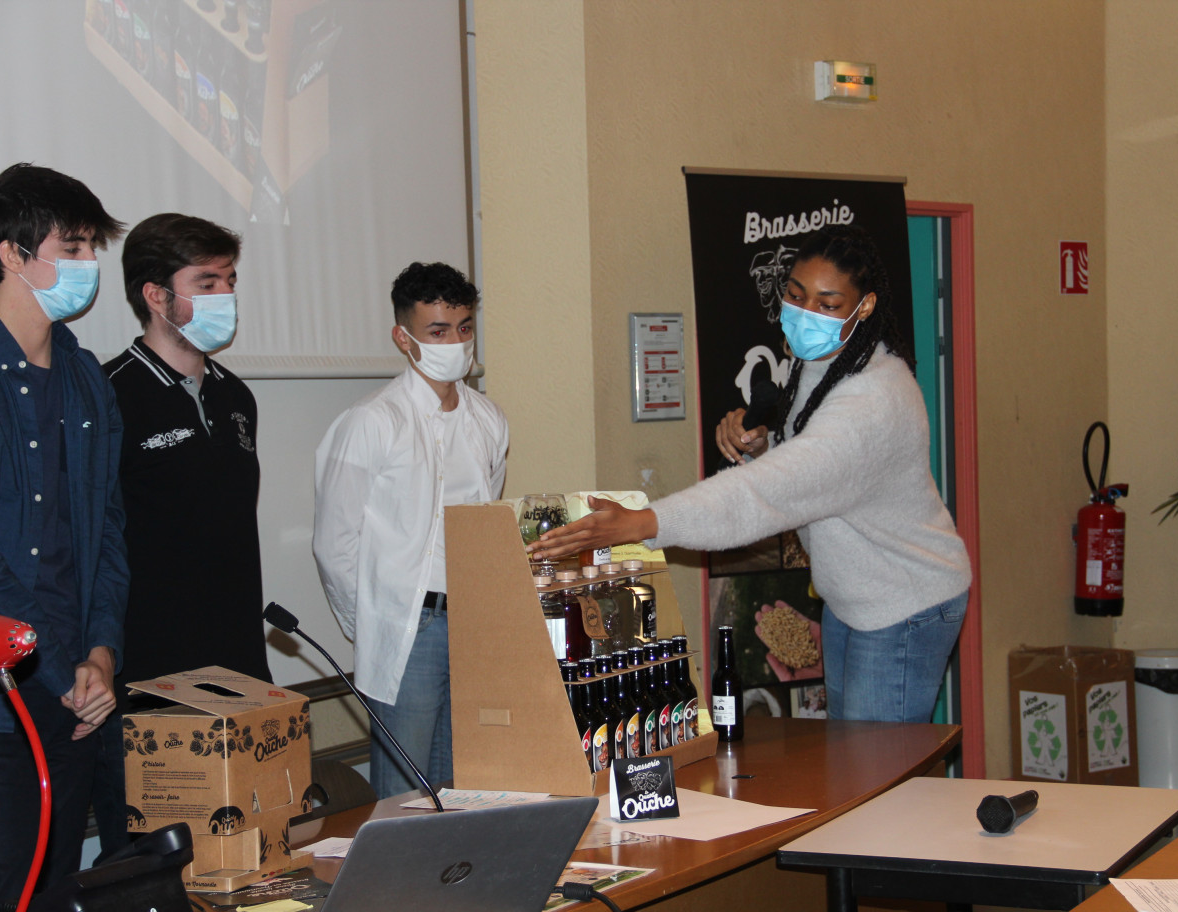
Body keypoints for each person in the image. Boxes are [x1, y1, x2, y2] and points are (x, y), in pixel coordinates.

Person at [530, 224, 971, 724]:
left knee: (878, 772)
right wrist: (764, 445)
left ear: (864, 307)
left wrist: (646, 523)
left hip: (905, 604)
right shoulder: (826, 361)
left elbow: (773, 491)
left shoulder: (874, 400)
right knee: (853, 765)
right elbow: (811, 464)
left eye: (828, 304)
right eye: (796, 295)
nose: (806, 314)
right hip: (857, 598)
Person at [0, 163, 129, 912]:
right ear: (13, 255)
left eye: (91, 249)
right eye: (72, 248)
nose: (88, 267)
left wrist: (103, 655)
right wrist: (59, 667)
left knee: (64, 896)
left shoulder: (86, 379)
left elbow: (108, 535)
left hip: (78, 697)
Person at [94, 213, 270, 858]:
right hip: (150, 680)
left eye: (229, 280)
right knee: (153, 865)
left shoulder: (236, 396)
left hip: (240, 670)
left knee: (245, 859)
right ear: (156, 294)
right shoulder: (110, 395)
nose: (223, 296)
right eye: (206, 282)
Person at [313, 262, 508, 798]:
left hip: (473, 623)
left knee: (461, 785)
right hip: (408, 627)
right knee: (404, 797)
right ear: (404, 337)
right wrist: (375, 622)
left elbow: (484, 521)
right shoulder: (370, 421)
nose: (456, 342)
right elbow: (335, 544)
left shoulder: (489, 419)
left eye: (465, 327)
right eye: (438, 331)